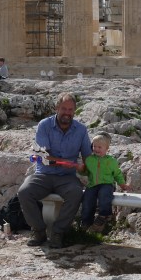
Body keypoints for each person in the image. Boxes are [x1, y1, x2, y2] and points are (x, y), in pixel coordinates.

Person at [17, 92, 92, 249]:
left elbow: (87, 156)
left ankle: (58, 232)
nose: (67, 113)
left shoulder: (81, 130)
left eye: (71, 109)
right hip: (44, 174)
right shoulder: (44, 125)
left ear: (74, 111)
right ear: (57, 108)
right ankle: (38, 230)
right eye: (64, 108)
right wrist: (67, 163)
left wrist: (94, 173)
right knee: (24, 192)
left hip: (67, 177)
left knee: (76, 192)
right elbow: (43, 156)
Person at [79, 133, 130, 234]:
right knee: (87, 199)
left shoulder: (111, 161)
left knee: (104, 194)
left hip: (106, 184)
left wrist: (122, 184)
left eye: (99, 147)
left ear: (107, 149)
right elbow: (85, 172)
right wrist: (80, 169)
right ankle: (86, 221)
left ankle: (104, 215)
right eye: (94, 146)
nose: (96, 149)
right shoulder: (89, 160)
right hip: (92, 184)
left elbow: (117, 174)